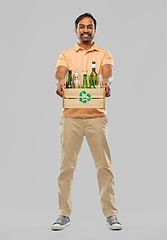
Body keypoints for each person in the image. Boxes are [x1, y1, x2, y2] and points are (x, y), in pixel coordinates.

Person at [51, 13, 122, 231]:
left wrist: (105, 82)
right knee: (66, 167)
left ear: (94, 30)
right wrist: (61, 82)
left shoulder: (103, 53)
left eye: (89, 27)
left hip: (96, 118)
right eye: (82, 27)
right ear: (76, 30)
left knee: (104, 166)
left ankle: (111, 215)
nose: (85, 30)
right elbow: (60, 73)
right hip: (71, 117)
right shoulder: (66, 54)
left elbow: (107, 72)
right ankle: (64, 214)